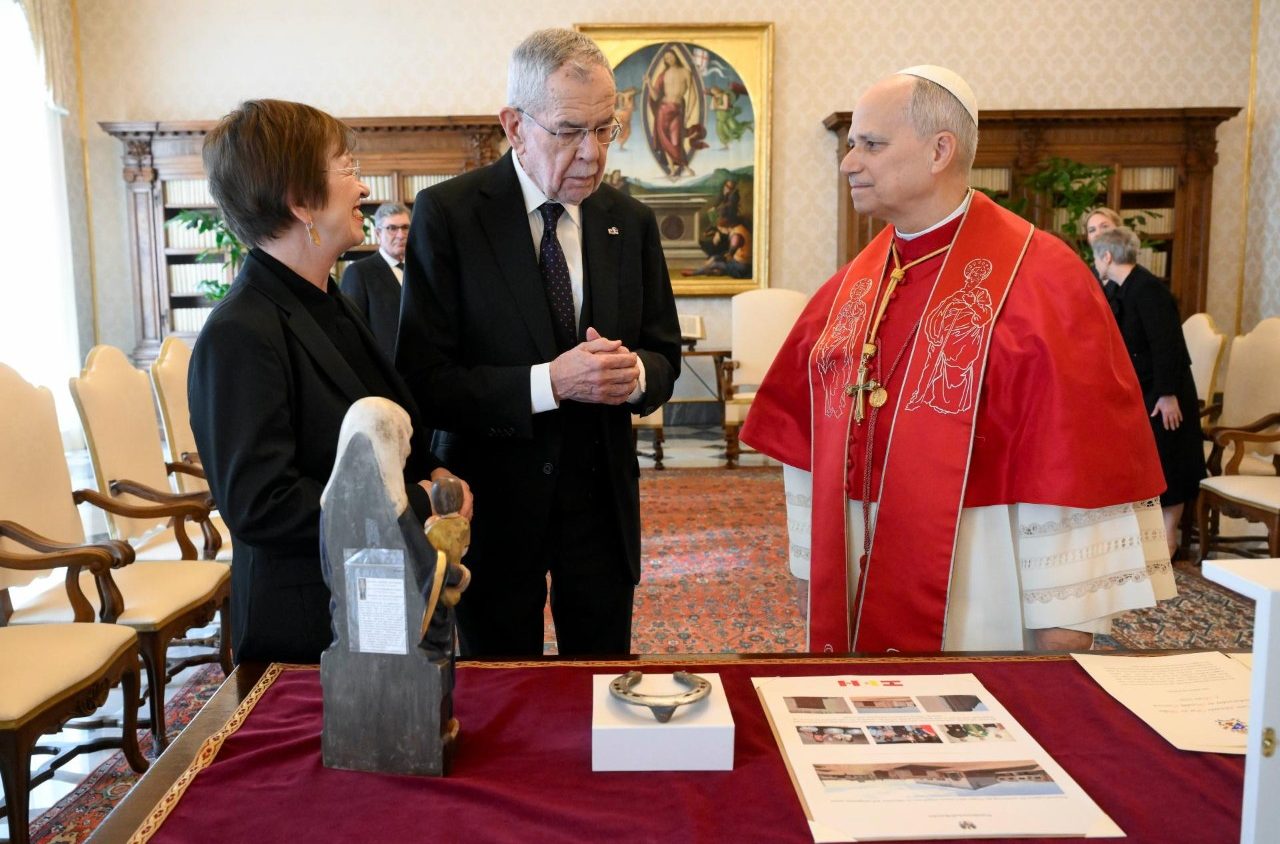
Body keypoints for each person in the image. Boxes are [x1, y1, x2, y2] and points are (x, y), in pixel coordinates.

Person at [741, 66, 1175, 654]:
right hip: (855, 596)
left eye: (871, 144)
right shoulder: (849, 287)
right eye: (851, 146)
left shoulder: (1045, 282)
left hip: (984, 595)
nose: (849, 163)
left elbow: (1073, 469)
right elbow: (807, 455)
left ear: (940, 150)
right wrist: (810, 573)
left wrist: (1061, 641)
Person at [396, 29, 682, 657]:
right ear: (515, 125)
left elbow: (665, 353)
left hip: (601, 506)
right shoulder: (450, 216)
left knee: (602, 689)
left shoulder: (629, 222)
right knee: (501, 697)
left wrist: (632, 376)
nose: (592, 154)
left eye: (606, 128)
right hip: (492, 506)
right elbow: (425, 379)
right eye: (570, 131)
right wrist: (549, 383)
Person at [188, 99, 472, 665]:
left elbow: (379, 434)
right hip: (307, 634)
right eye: (346, 169)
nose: (362, 188)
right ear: (300, 201)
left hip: (378, 606)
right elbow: (260, 506)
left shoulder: (329, 301)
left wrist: (431, 473)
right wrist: (412, 507)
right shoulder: (240, 332)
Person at [1093, 226, 1206, 557]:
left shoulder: (1147, 289)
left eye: (1095, 256)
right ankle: (1151, 542)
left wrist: (1167, 394)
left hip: (1167, 395)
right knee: (1154, 461)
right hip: (1151, 391)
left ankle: (1168, 541)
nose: (1094, 262)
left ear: (1107, 256)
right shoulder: (1123, 289)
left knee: (1171, 462)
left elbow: (1167, 345)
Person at [340, 202, 410, 359]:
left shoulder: (420, 270)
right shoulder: (359, 272)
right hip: (385, 370)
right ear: (378, 233)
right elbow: (351, 330)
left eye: (405, 227)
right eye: (392, 228)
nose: (401, 234)